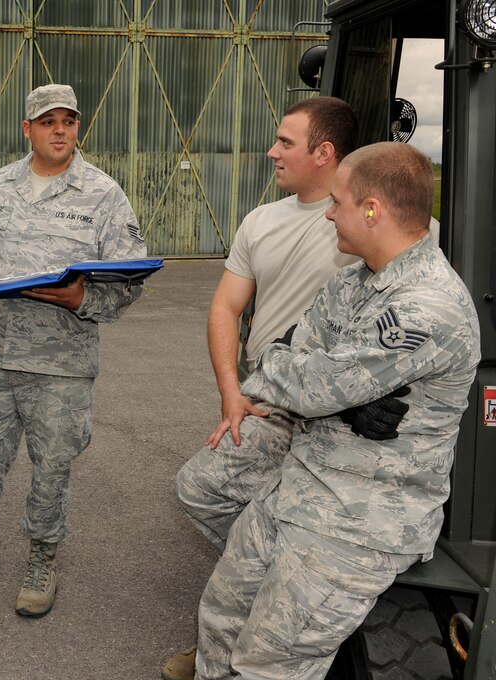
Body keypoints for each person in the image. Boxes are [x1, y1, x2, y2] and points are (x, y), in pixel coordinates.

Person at [196, 141, 479, 678]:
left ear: (371, 209)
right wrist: (329, 390)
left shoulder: (426, 306)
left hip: (357, 521)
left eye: (338, 202)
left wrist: (306, 378)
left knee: (269, 664)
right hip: (298, 485)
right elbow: (283, 353)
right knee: (220, 621)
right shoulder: (351, 281)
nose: (328, 212)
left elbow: (304, 383)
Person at [0, 84, 147, 617]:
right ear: (28, 129)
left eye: (68, 120)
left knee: (52, 466)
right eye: (48, 122)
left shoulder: (103, 195)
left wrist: (83, 297)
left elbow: (131, 275)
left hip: (62, 366)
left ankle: (42, 560)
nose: (60, 130)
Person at [164, 96, 359, 679]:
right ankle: (271, 591)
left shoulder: (373, 218)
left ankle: (265, 620)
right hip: (269, 401)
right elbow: (226, 307)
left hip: (346, 416)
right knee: (201, 488)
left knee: (287, 527)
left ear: (324, 153)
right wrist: (231, 391)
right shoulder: (261, 221)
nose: (271, 152)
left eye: (284, 142)